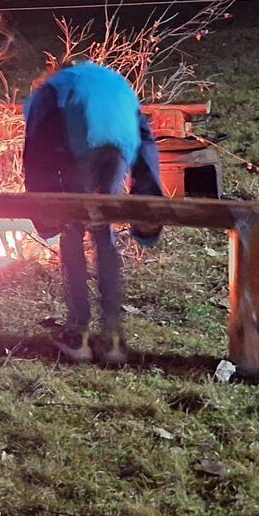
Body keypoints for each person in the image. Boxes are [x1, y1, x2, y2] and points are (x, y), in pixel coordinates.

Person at [22, 60, 165, 364]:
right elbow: (146, 140)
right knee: (102, 227)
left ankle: (78, 333)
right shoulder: (113, 81)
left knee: (71, 229)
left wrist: (45, 211)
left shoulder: (52, 89)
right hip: (120, 146)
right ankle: (112, 337)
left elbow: (34, 150)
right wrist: (149, 199)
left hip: (81, 145)